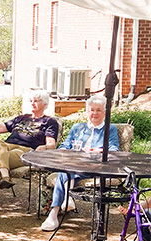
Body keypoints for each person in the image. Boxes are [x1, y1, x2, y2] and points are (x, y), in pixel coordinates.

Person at [0, 89, 59, 214]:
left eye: (36, 101)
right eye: (31, 101)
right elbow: (2, 127)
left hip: (25, 151)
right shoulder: (22, 118)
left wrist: (44, 147)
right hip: (6, 147)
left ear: (44, 104)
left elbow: (51, 143)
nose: (32, 103)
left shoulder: (49, 122)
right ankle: (5, 176)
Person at [40, 94, 120, 231]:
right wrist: (64, 150)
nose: (94, 113)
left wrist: (98, 151)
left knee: (64, 172)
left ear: (104, 112)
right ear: (87, 111)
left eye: (98, 110)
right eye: (92, 110)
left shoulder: (109, 129)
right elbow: (66, 145)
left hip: (95, 166)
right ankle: (64, 202)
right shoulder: (77, 127)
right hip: (75, 164)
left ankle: (55, 212)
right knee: (66, 170)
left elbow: (114, 149)